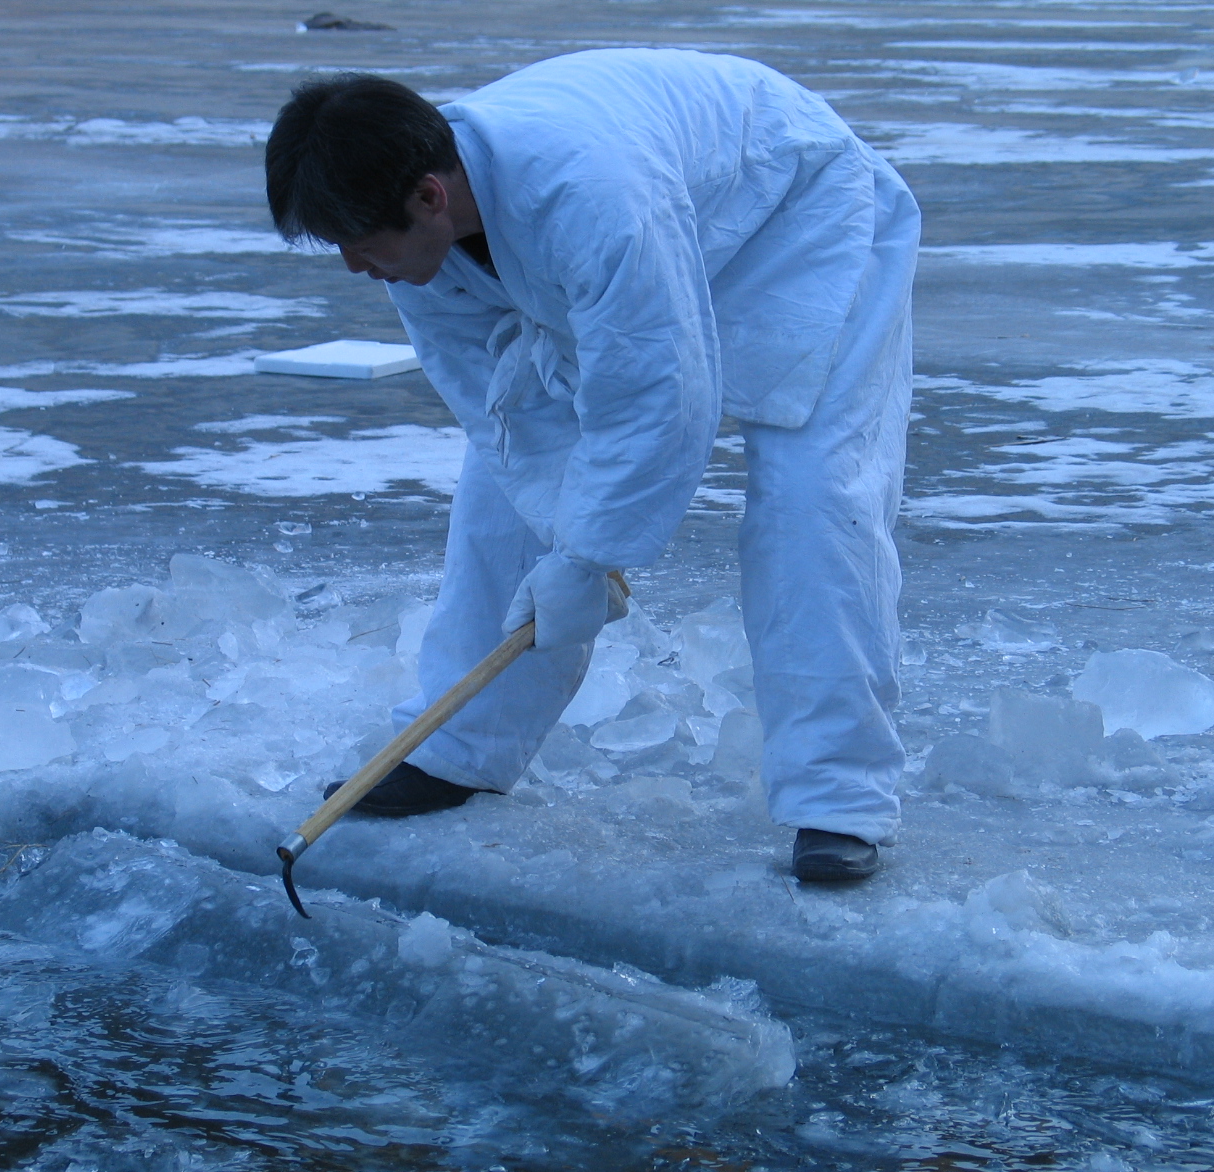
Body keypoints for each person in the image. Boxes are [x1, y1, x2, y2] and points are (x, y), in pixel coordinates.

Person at [265, 48, 919, 882]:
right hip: (662, 237)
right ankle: (460, 748)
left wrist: (588, 554)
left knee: (813, 501)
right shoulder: (415, 232)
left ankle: (840, 801)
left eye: (356, 244)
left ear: (430, 197)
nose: (355, 267)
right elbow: (499, 411)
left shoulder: (588, 196)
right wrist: (562, 542)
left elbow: (658, 392)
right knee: (496, 493)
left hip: (799, 219)